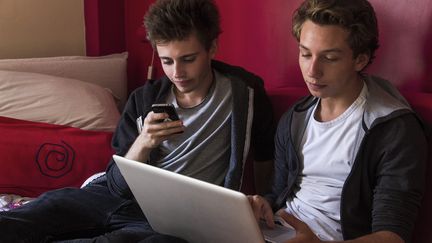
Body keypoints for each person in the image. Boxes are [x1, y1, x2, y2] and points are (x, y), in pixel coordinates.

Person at [0, 0, 275, 242]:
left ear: (212, 47)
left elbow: (266, 157)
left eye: (188, 59)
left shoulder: (245, 93)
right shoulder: (144, 99)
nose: (177, 72)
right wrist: (143, 142)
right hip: (115, 198)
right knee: (38, 211)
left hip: (175, 218)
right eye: (167, 61)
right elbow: (116, 184)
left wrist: (258, 204)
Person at [248, 0, 428, 242]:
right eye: (305, 54)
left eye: (329, 58)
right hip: (279, 231)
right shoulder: (295, 117)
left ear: (360, 60)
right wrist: (263, 206)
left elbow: (392, 236)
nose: (312, 70)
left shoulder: (394, 130)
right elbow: (278, 193)